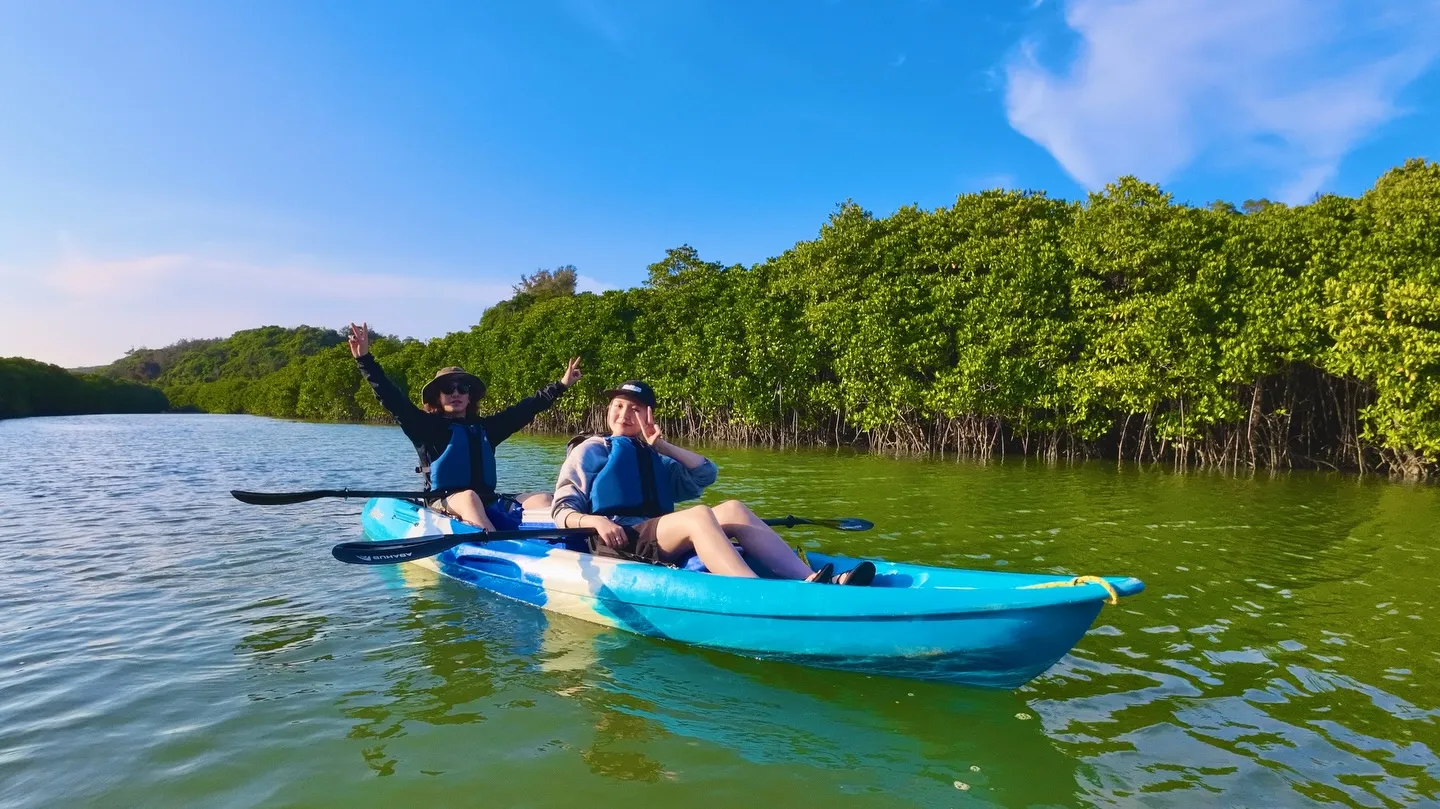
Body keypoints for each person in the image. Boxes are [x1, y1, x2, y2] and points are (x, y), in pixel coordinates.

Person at [552, 380, 875, 585]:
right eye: (618, 406)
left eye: (634, 409)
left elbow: (705, 474)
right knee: (699, 515)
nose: (623, 414)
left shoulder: (655, 458)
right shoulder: (592, 449)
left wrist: (661, 446)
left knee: (732, 507)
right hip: (617, 537)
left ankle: (809, 579)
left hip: (655, 532)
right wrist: (593, 520)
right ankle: (753, 593)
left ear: (648, 417)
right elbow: (562, 510)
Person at [347, 322, 582, 531]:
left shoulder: (486, 429)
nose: (456, 394)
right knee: (469, 497)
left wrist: (560, 386)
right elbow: (392, 398)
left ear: (471, 397)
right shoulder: (425, 427)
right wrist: (365, 360)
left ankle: (562, 543)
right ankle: (494, 544)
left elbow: (525, 409)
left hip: (487, 501)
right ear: (438, 398)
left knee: (543, 498)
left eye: (463, 389)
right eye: (448, 390)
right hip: (445, 503)